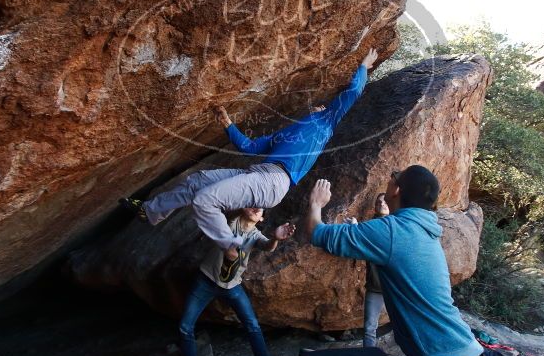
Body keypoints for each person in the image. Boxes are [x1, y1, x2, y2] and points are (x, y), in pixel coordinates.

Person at [120, 48, 379, 263]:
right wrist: (227, 123)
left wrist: (364, 66)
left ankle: (232, 248)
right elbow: (249, 147)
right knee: (196, 182)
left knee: (204, 200)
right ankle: (151, 211)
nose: (319, 105)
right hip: (257, 173)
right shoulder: (284, 134)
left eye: (323, 104)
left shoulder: (327, 121)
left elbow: (352, 93)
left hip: (275, 182)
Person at [305, 166, 486, 356]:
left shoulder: (393, 231)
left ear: (397, 190)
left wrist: (315, 203)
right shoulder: (423, 229)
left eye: (391, 181)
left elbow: (317, 234)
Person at [179, 207, 295, 356]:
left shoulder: (254, 235)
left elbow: (267, 245)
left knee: (253, 325)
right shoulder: (228, 222)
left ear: (261, 219)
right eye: (252, 204)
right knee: (185, 326)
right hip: (205, 280)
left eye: (260, 209)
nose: (256, 208)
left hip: (232, 286)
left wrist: (275, 238)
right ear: (243, 207)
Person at [345, 193, 390, 348]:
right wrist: (355, 228)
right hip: (375, 287)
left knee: (405, 324)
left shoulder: (396, 225)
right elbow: (363, 244)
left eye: (385, 201)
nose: (381, 204)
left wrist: (357, 228)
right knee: (370, 328)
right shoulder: (370, 226)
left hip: (395, 287)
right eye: (378, 202)